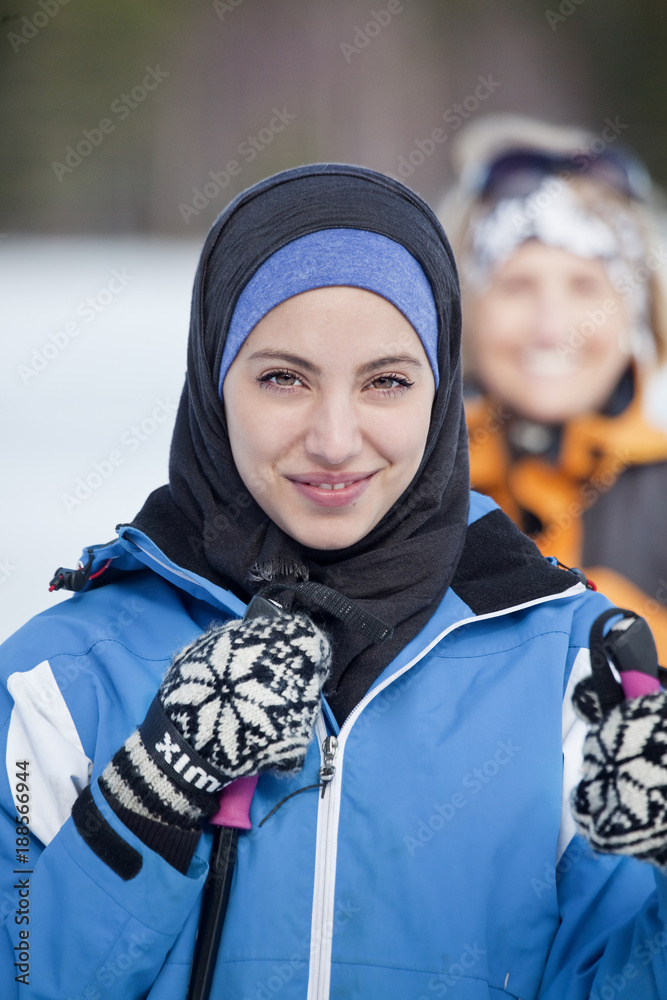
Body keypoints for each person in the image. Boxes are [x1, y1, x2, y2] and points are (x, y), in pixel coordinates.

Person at [2, 163, 667, 1000]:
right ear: (213, 378)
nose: (334, 438)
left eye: (386, 380)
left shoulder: (570, 674)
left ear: (440, 388)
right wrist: (148, 798)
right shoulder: (61, 681)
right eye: (283, 377)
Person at [437, 114, 667, 661]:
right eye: (517, 286)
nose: (550, 326)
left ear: (634, 307)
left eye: (585, 286)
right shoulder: (409, 488)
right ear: (468, 308)